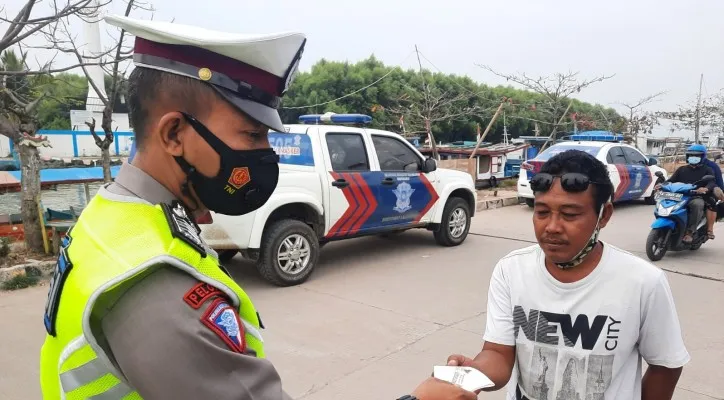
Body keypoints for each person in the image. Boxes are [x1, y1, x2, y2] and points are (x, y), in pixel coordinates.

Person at [39, 15, 476, 400]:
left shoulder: (113, 215)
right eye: (252, 136)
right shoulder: (154, 287)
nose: (267, 153)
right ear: (174, 134)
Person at [447, 150, 690, 400]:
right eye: (542, 212)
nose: (552, 227)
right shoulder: (511, 270)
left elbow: (666, 364)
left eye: (570, 215)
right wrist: (471, 375)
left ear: (603, 216)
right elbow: (498, 353)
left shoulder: (643, 282)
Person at [655, 144, 717, 242]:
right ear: (687, 157)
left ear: (702, 157)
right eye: (691, 155)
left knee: (697, 204)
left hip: (695, 196)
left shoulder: (707, 169)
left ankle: (690, 231)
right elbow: (671, 180)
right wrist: (662, 185)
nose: (693, 158)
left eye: (696, 156)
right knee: (664, 202)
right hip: (679, 195)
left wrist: (705, 188)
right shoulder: (681, 169)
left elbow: (712, 182)